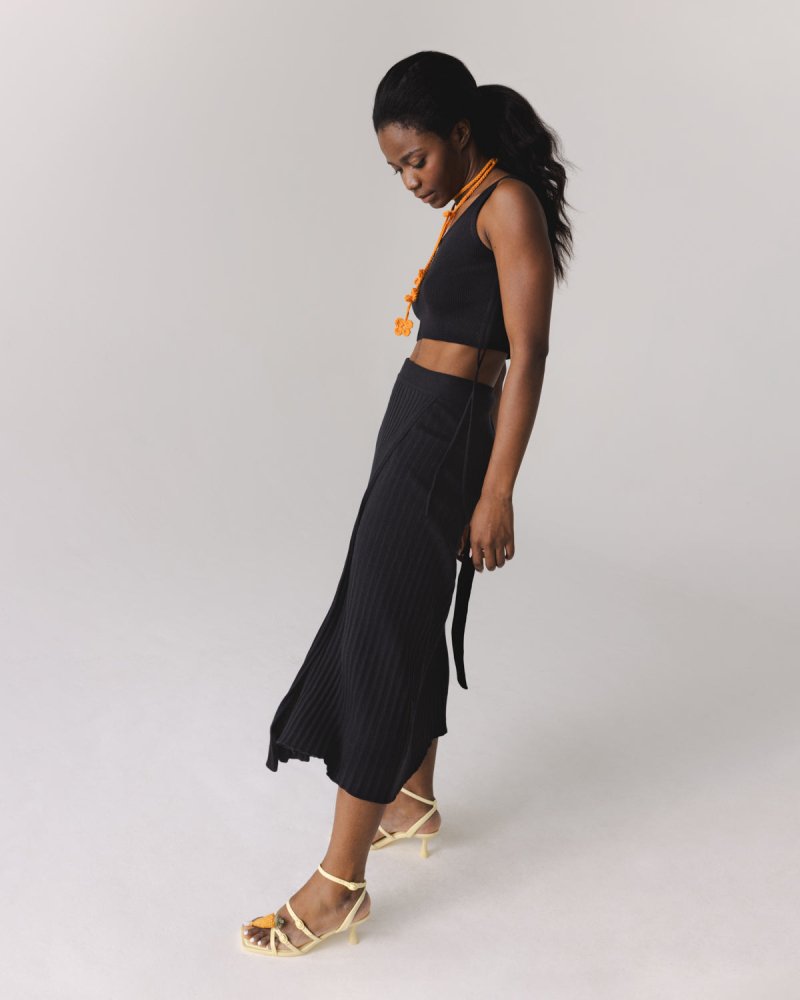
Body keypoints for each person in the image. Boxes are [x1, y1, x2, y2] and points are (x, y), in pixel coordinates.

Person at [241, 50, 574, 957]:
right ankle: (411, 799)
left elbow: (530, 355)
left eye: (417, 159)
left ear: (460, 133)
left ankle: (339, 885)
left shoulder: (506, 204)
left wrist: (498, 490)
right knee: (404, 612)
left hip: (447, 432)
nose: (411, 181)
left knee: (380, 629)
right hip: (419, 421)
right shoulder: (470, 202)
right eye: (396, 169)